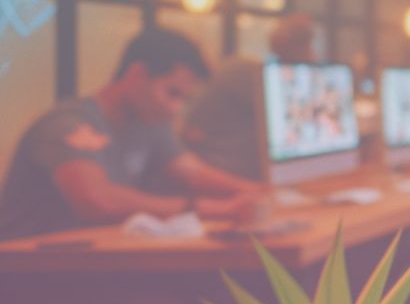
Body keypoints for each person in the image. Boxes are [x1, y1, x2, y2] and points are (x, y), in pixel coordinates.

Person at [0, 28, 266, 240]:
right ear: (137, 74)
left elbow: (193, 172)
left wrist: (260, 192)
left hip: (92, 262)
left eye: (184, 100)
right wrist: (220, 209)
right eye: (172, 93)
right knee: (176, 299)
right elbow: (98, 201)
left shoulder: (149, 123)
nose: (176, 109)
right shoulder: (69, 123)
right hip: (26, 269)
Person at [182, 13, 319, 179]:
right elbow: (306, 115)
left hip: (238, 174)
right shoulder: (250, 74)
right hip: (226, 177)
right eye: (309, 45)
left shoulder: (247, 69)